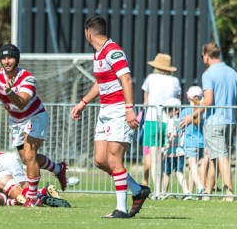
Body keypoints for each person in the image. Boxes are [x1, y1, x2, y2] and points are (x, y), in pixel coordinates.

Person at [70, 15, 149, 218]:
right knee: (100, 160)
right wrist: (83, 102)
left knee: (114, 159)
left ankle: (121, 209)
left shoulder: (113, 51)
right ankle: (137, 190)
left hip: (118, 110)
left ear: (88, 33)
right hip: (105, 111)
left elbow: (126, 79)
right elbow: (100, 82)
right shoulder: (98, 54)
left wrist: (129, 108)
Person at [0, 43, 67, 206]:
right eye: (4, 58)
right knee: (26, 159)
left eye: (10, 58)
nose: (7, 61)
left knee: (30, 154)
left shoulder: (27, 78)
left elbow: (21, 103)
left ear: (17, 59)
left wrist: (10, 92)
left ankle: (32, 198)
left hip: (35, 117)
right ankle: (58, 168)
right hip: (16, 122)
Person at [181, 42, 237, 201]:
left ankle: (229, 193)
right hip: (230, 120)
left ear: (207, 56)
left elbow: (208, 100)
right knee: (214, 157)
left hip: (215, 121)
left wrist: (192, 116)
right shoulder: (233, 73)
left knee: (221, 156)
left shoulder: (208, 74)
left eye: (202, 56)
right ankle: (208, 191)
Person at [141, 53, 181, 193]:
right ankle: (163, 190)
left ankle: (157, 190)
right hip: (168, 121)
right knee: (163, 157)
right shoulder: (175, 81)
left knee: (154, 157)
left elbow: (146, 101)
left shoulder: (150, 79)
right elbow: (177, 101)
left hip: (152, 119)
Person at [159, 98, 190, 199]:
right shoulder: (176, 120)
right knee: (174, 172)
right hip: (177, 151)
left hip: (173, 151)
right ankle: (185, 192)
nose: (167, 112)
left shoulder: (174, 121)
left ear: (176, 110)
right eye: (166, 110)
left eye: (169, 110)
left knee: (169, 173)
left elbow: (174, 134)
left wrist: (166, 147)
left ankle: (164, 193)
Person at [180, 85, 207, 198]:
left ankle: (200, 187)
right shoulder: (203, 111)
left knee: (192, 165)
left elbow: (180, 127)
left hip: (190, 142)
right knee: (194, 168)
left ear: (188, 97)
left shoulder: (185, 111)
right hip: (201, 142)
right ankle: (191, 192)